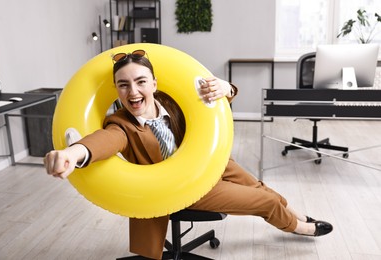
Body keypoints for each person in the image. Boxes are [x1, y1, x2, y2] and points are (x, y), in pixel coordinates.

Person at [44, 49, 333, 259]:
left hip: (212, 165)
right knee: (266, 200)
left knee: (260, 186)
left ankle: (296, 213)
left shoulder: (173, 100)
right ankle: (298, 227)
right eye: (124, 85)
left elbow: (216, 100)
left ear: (154, 84)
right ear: (117, 91)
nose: (133, 91)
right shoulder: (121, 125)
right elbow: (103, 141)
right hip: (186, 188)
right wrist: (75, 153)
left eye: (141, 81)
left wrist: (226, 87)